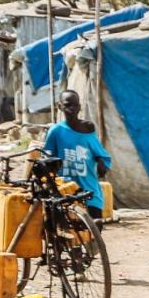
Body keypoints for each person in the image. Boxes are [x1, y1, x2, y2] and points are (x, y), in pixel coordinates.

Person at [41, 91, 112, 222]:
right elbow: (47, 156)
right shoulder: (56, 131)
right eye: (67, 105)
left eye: (75, 105)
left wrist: (101, 162)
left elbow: (100, 154)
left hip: (89, 188)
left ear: (79, 107)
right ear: (60, 106)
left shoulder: (87, 129)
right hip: (65, 189)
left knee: (96, 226)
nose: (71, 108)